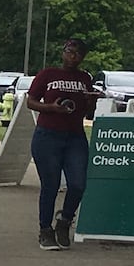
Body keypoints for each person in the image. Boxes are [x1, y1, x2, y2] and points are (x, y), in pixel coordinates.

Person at [27, 38, 95, 250]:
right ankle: (45, 230)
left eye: (77, 54)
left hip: (74, 136)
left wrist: (91, 100)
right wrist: (50, 107)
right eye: (69, 51)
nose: (72, 57)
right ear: (63, 51)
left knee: (78, 184)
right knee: (51, 185)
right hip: (48, 135)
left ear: (83, 57)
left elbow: (87, 112)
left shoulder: (84, 78)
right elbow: (30, 101)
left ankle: (64, 221)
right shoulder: (48, 74)